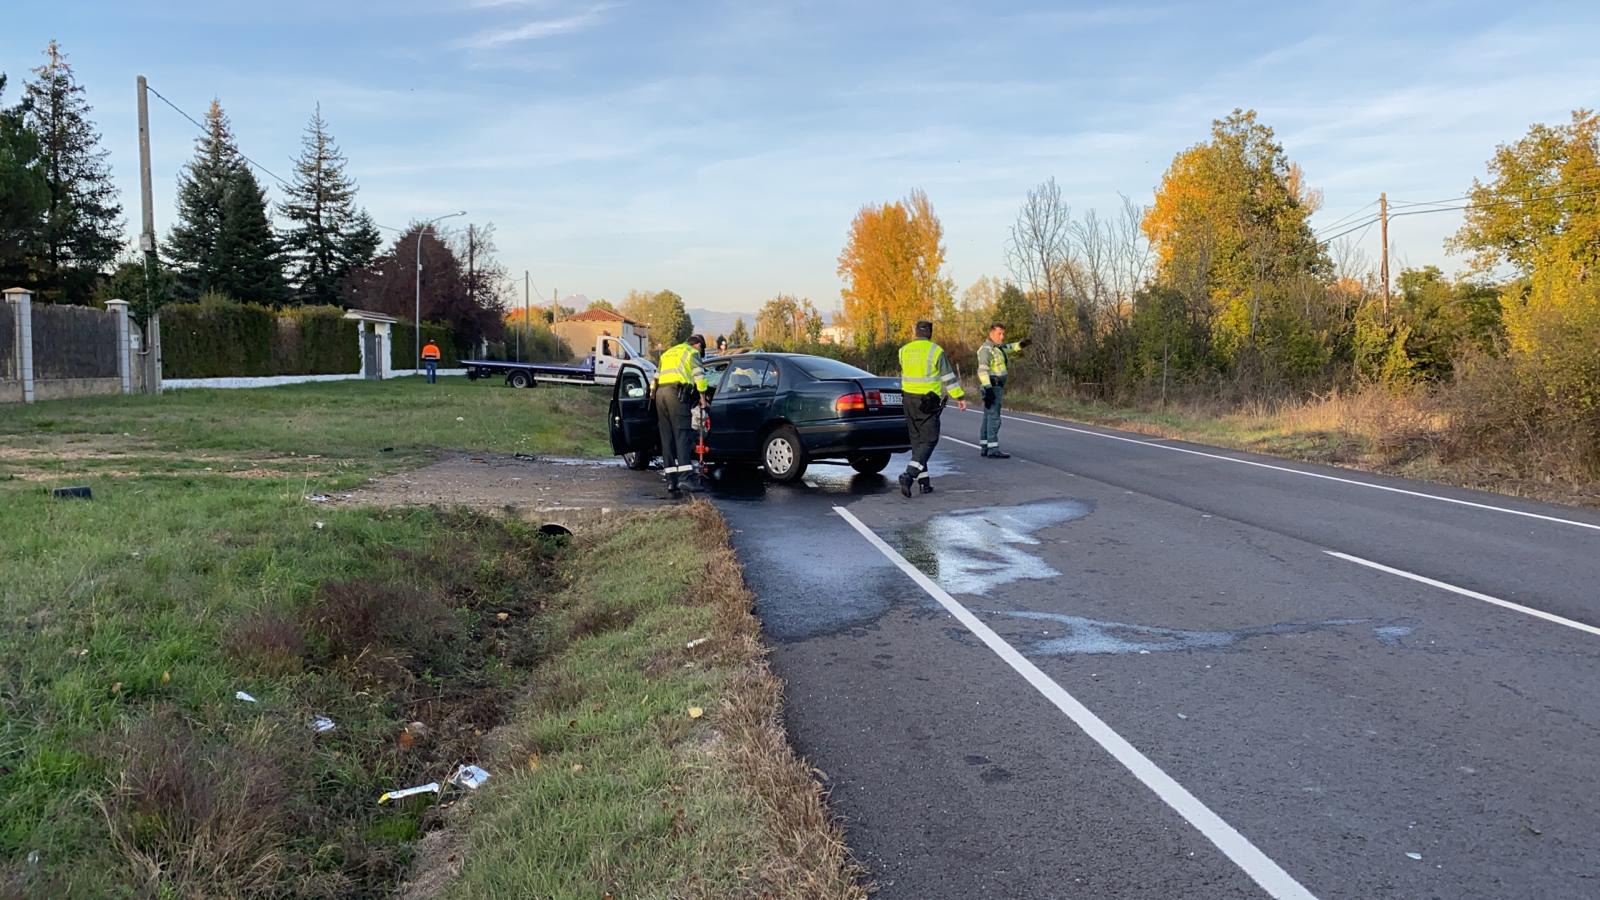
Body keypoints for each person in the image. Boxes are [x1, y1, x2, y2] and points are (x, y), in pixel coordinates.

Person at [897, 320, 966, 497]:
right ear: (930, 333)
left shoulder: (904, 350)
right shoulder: (935, 351)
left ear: (915, 332)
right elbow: (948, 377)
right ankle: (909, 476)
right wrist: (959, 396)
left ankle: (924, 483)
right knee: (929, 440)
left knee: (917, 442)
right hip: (926, 403)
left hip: (907, 400)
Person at [655, 334, 711, 495]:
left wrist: (652, 397)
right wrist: (702, 398)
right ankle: (686, 478)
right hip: (676, 394)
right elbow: (699, 376)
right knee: (682, 435)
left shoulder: (668, 353)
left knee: (667, 438)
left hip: (660, 395)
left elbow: (656, 377)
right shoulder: (691, 353)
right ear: (698, 346)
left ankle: (671, 480)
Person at [976, 323, 1031, 458]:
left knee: (987, 417)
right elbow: (982, 370)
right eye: (999, 334)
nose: (1002, 336)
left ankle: (985, 446)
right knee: (994, 418)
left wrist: (1022, 344)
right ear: (991, 334)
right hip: (992, 386)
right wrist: (988, 389)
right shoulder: (986, 349)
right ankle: (993, 449)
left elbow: (1010, 347)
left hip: (995, 386)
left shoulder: (997, 348)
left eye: (1003, 333)